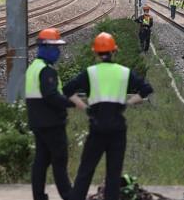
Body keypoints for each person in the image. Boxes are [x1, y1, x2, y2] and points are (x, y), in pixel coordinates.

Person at [63, 32, 153, 200]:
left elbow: (67, 90)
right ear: (114, 51)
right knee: (113, 173)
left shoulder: (90, 73)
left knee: (86, 170)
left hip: (97, 128)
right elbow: (146, 89)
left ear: (96, 53)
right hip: (118, 129)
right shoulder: (124, 72)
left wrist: (85, 108)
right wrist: (128, 103)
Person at [25, 28, 86, 200]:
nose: (58, 51)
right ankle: (68, 195)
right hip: (51, 123)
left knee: (41, 161)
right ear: (46, 48)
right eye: (56, 48)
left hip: (37, 122)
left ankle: (39, 196)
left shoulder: (33, 68)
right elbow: (51, 96)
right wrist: (71, 103)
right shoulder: (47, 71)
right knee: (60, 160)